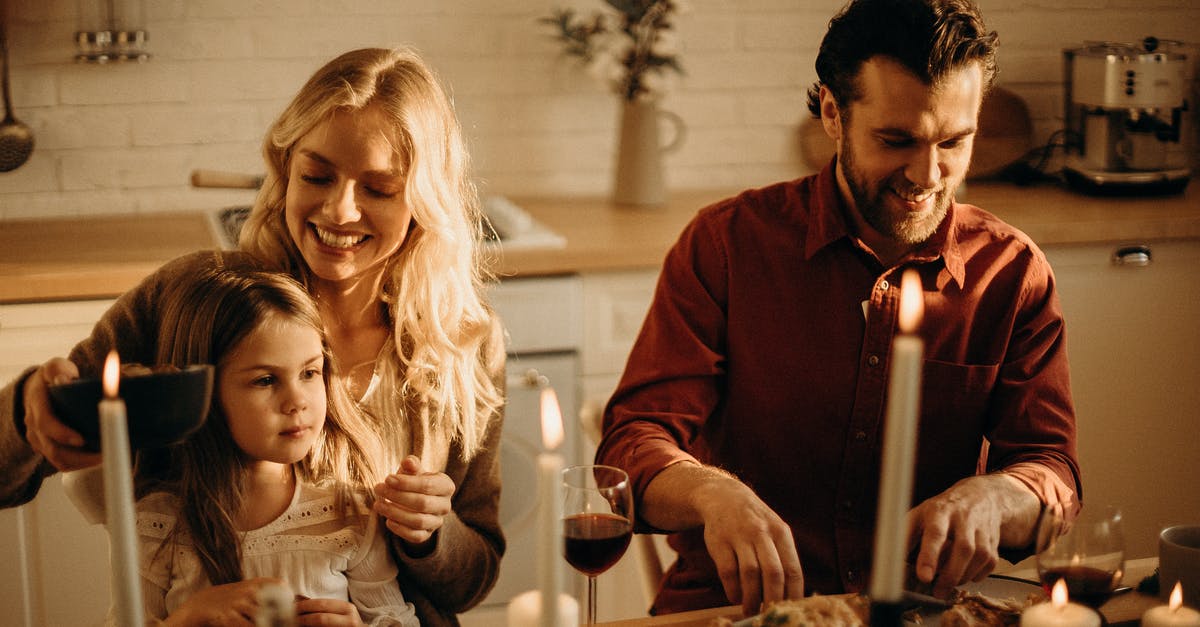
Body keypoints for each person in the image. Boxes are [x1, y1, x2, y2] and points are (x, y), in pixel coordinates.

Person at [594, 0, 1082, 617]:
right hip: (740, 611)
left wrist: (996, 496)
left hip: (919, 612)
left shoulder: (1012, 274)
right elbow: (633, 442)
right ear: (832, 113)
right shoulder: (726, 245)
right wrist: (711, 493)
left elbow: (1052, 470)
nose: (927, 174)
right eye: (896, 140)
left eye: (954, 142)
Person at [0, 47, 506, 627]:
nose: (341, 210)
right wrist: (27, 413)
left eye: (380, 189)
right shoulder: (198, 301)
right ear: (285, 167)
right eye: (317, 175)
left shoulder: (462, 344)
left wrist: (431, 535)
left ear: (424, 199)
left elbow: (472, 582)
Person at [65, 267, 420, 626]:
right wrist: (191, 617)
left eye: (309, 373)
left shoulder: (349, 514)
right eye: (265, 380)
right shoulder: (160, 524)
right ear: (206, 392)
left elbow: (398, 619)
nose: (297, 401)